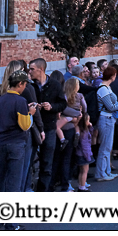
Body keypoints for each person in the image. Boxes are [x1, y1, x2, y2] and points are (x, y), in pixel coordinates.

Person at [0, 70, 36, 229]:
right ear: (20, 84)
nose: (25, 87)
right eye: (24, 84)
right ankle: (11, 224)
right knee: (14, 184)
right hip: (16, 144)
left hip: (1, 143)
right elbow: (25, 125)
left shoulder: (1, 98)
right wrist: (30, 113)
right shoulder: (20, 101)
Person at [28, 57, 67, 191]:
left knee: (46, 162)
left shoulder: (54, 85)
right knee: (29, 161)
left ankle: (44, 190)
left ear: (41, 69)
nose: (30, 71)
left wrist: (51, 107)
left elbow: (62, 104)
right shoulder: (30, 86)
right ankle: (27, 189)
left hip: (49, 126)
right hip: (33, 127)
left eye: (32, 69)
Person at [94, 65, 118, 182]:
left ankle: (106, 171)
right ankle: (101, 173)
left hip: (109, 118)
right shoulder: (103, 89)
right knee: (105, 147)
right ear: (113, 76)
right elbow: (110, 106)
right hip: (105, 118)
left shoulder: (106, 88)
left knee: (107, 147)